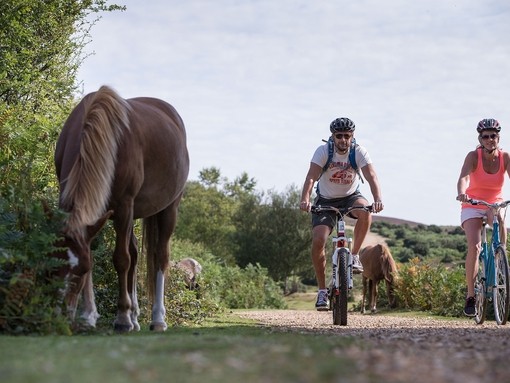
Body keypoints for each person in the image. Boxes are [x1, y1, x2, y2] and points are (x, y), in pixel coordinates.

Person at [300, 117, 384, 311]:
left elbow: (372, 176)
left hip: (350, 197)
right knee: (319, 239)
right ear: (333, 136)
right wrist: (305, 199)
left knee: (365, 211)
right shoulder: (323, 152)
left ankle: (354, 256)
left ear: (352, 136)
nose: (343, 140)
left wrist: (378, 198)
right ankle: (322, 291)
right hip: (326, 200)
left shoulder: (359, 152)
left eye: (347, 136)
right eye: (339, 136)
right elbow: (311, 177)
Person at [456, 118, 510, 317]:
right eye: (485, 136)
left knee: (500, 217)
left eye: (493, 136)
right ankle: (471, 295)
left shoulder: (505, 157)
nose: (489, 139)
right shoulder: (473, 156)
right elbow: (463, 177)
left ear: (498, 137)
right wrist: (462, 192)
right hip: (472, 203)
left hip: (494, 202)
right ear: (480, 138)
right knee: (475, 246)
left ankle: (500, 257)